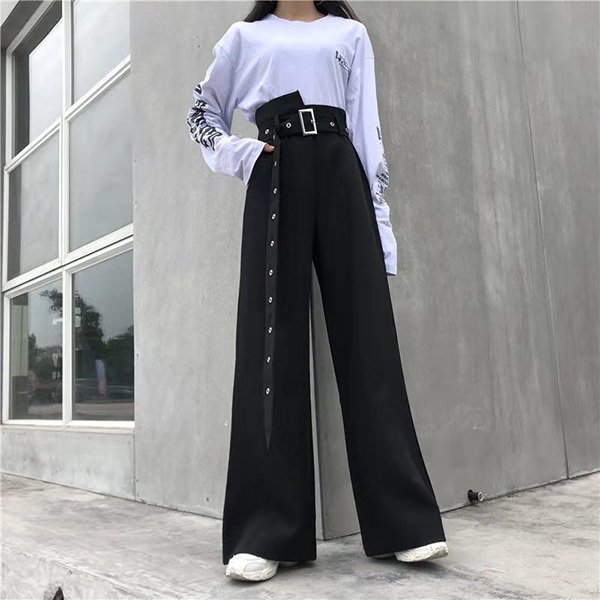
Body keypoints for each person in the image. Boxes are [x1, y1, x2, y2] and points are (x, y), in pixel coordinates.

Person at [186, 0, 448, 582]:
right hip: (274, 167)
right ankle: (265, 532)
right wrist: (241, 155)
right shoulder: (244, 38)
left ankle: (405, 524)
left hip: (340, 168)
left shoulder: (350, 35)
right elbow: (201, 113)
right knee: (269, 347)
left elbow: (367, 129)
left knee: (369, 344)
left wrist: (381, 226)